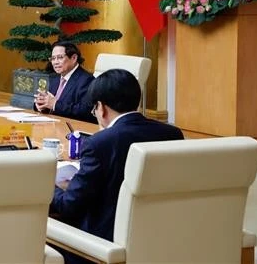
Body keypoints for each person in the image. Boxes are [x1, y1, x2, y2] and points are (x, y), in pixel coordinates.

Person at [49, 69, 183, 264]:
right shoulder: (172, 134)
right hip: (160, 239)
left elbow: (68, 206)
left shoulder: (99, 143)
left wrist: (47, 185)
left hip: (103, 245)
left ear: (101, 107)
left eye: (94, 109)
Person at [34, 41, 95, 123]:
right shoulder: (55, 78)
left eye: (60, 57)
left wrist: (55, 104)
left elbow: (85, 111)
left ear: (74, 58)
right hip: (53, 123)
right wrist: (41, 104)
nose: (55, 62)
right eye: (53, 58)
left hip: (73, 127)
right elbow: (50, 103)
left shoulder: (87, 80)